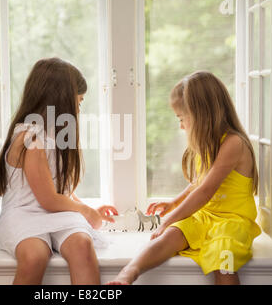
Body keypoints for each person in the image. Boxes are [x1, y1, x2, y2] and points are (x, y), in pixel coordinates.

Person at [108, 71, 261, 285]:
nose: (181, 126)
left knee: (224, 259)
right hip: (205, 216)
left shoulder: (233, 144)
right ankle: (129, 273)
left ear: (202, 115)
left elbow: (205, 191)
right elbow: (198, 182)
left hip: (232, 222)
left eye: (182, 119)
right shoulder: (210, 144)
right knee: (169, 236)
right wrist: (174, 203)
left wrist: (167, 220)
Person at [0, 57, 118, 285]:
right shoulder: (30, 138)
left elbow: (57, 188)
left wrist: (83, 208)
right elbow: (48, 199)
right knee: (34, 256)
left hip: (54, 214)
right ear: (61, 100)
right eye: (78, 103)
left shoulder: (55, 136)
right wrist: (86, 212)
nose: (79, 110)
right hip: (23, 215)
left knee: (82, 244)